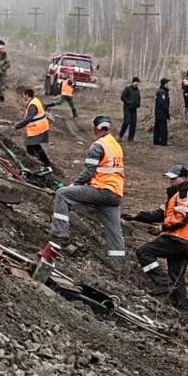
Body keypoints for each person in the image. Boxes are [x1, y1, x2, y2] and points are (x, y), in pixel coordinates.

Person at [49, 115, 126, 270]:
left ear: (95, 128)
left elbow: (89, 171)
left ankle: (59, 234)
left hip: (101, 189)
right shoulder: (115, 144)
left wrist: (74, 185)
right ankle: (118, 265)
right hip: (115, 194)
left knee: (62, 194)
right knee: (114, 230)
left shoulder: (98, 145)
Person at [123, 164, 188, 307]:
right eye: (169, 178)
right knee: (177, 278)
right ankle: (183, 309)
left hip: (178, 238)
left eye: (174, 178)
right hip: (186, 241)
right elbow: (159, 214)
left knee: (144, 252)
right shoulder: (175, 195)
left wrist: (162, 227)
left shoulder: (185, 194)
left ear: (183, 178)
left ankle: (163, 283)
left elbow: (181, 219)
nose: (170, 181)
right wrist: (137, 216)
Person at [15, 88, 53, 167]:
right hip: (38, 127)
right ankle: (40, 161)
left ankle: (45, 162)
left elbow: (29, 118)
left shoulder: (32, 105)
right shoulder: (34, 101)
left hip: (37, 128)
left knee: (34, 146)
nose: (23, 97)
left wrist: (18, 125)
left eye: (23, 95)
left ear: (27, 95)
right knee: (31, 147)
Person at [119, 76, 141, 141]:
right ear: (133, 82)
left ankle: (131, 138)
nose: (136, 84)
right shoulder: (127, 89)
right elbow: (122, 97)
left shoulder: (137, 90)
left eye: (137, 83)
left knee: (133, 123)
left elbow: (139, 98)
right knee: (126, 122)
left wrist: (138, 104)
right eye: (135, 82)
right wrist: (128, 102)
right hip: (127, 108)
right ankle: (121, 135)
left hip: (134, 109)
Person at [153, 78, 171, 146]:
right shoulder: (162, 92)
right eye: (167, 83)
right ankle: (163, 141)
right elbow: (163, 103)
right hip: (161, 112)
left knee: (157, 126)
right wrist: (167, 112)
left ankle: (156, 140)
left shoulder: (161, 91)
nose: (168, 85)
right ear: (165, 84)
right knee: (163, 127)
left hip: (158, 112)